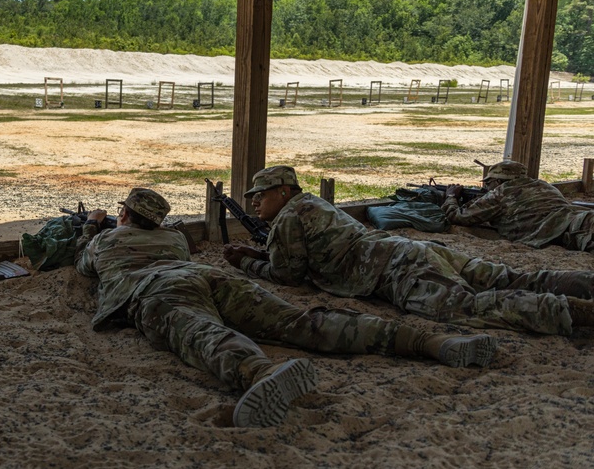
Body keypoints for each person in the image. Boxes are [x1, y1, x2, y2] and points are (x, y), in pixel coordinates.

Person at [74, 187, 496, 428]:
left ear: (124, 215)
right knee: (300, 321)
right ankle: (426, 340)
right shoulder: (175, 240)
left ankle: (262, 372)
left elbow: (83, 264)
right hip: (211, 277)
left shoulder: (107, 240)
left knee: (200, 333)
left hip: (155, 288)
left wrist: (93, 225)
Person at [223, 166, 594, 338]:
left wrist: (249, 263)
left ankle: (574, 314)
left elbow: (289, 276)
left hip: (395, 270)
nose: (255, 202)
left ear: (284, 192)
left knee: (469, 308)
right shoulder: (312, 203)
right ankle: (585, 284)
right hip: (410, 249)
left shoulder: (289, 218)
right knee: (507, 276)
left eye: (261, 194)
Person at [443, 160, 594, 252]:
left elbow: (458, 217)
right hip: (581, 218)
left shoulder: (501, 193)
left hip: (576, 230)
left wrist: (451, 197)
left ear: (499, 182)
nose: (487, 188)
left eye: (489, 183)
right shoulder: (543, 184)